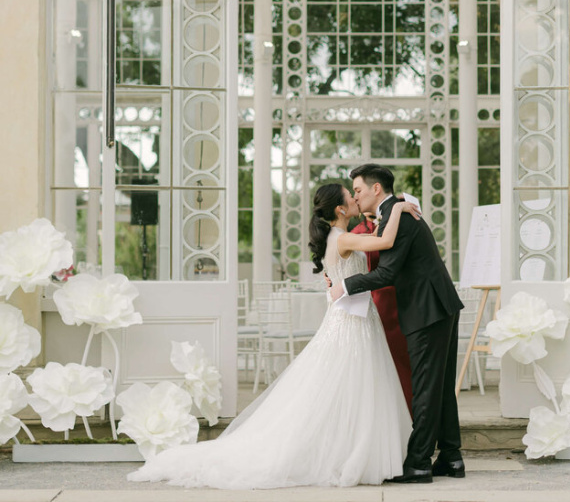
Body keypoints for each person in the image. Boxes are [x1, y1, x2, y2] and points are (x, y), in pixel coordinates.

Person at [127, 183, 418, 489]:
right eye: (350, 195)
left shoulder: (341, 236)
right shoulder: (343, 237)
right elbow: (385, 241)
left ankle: (354, 450)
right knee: (349, 386)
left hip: (352, 319)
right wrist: (398, 206)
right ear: (340, 209)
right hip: (350, 323)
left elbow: (374, 239)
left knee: (352, 388)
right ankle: (351, 453)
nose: (356, 197)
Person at [330, 163, 465, 484]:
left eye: (359, 190)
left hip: (427, 308)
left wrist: (344, 287)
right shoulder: (394, 213)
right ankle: (451, 457)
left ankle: (418, 463)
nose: (357, 197)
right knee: (441, 387)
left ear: (376, 189)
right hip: (438, 304)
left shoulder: (398, 215)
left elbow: (387, 274)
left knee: (426, 386)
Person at [351, 212, 413, 413]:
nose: (357, 198)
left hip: (400, 297)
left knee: (403, 359)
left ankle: (409, 411)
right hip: (376, 300)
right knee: (381, 360)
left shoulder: (393, 223)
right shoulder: (356, 232)